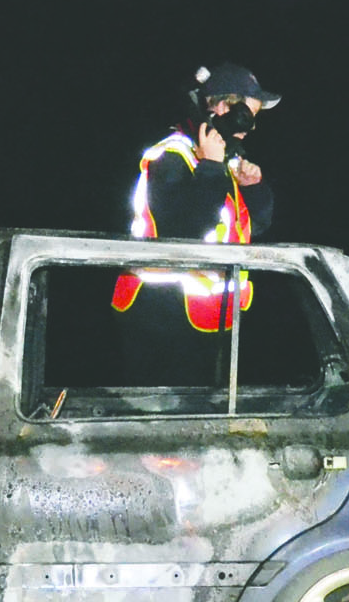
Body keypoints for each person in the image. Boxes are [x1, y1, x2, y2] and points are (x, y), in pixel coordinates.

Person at [111, 64, 279, 382]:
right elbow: (183, 229)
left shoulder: (221, 159)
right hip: (162, 316)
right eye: (248, 115)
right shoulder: (173, 156)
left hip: (209, 316)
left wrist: (252, 188)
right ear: (218, 106)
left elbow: (255, 225)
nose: (251, 127)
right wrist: (212, 166)